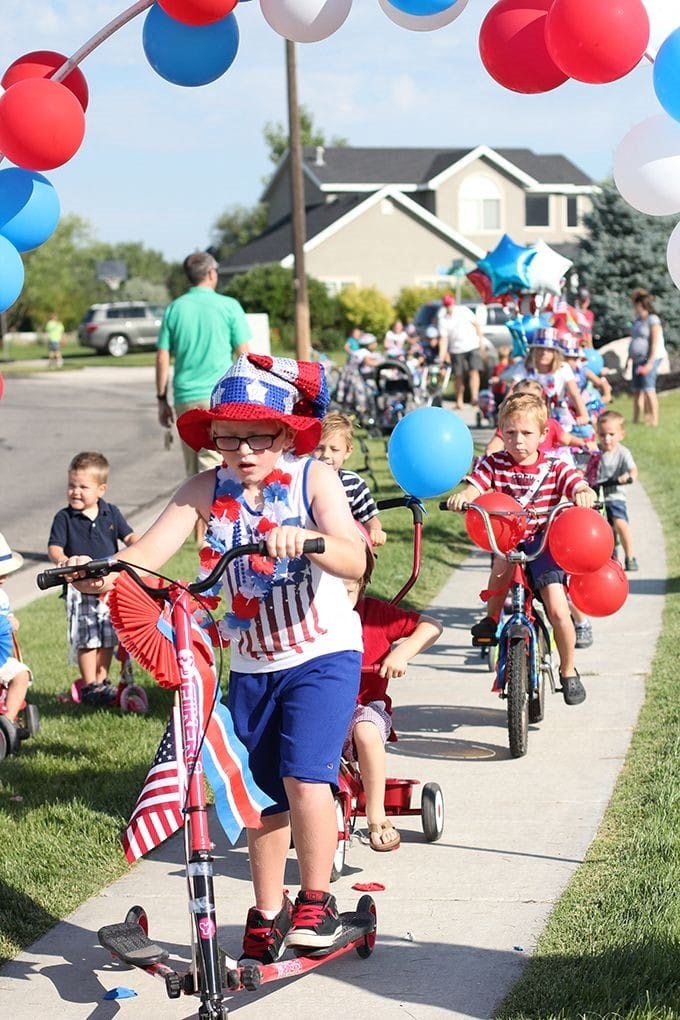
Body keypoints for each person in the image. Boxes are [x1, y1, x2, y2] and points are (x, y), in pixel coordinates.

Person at [63, 354, 367, 962]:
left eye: (257, 435)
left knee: (305, 775)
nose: (244, 450)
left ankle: (315, 900)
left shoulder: (313, 480)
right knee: (255, 793)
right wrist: (100, 574)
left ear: (284, 432)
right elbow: (147, 555)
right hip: (252, 663)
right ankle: (267, 910)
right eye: (229, 438)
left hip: (322, 652)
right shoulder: (206, 488)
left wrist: (307, 540)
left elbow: (355, 557)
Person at [445, 392, 597, 706]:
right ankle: (490, 619)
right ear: (501, 432)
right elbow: (476, 484)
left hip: (545, 544)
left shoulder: (554, 468)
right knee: (500, 571)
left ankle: (568, 669)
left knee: (557, 608)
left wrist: (583, 492)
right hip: (507, 541)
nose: (518, 441)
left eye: (527, 433)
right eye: (510, 433)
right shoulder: (494, 463)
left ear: (543, 434)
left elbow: (575, 483)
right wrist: (466, 496)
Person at [344, 528, 442, 851]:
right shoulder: (312, 617)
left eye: (349, 589)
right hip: (322, 705)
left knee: (367, 732)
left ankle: (375, 812)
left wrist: (402, 652)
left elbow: (431, 626)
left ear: (363, 581)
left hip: (365, 706)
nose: (341, 599)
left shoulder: (375, 615)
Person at [156, 251, 251, 541]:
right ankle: (212, 532)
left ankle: (201, 529)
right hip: (220, 395)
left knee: (193, 465)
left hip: (186, 395)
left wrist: (161, 398)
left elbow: (162, 357)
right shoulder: (229, 306)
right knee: (217, 463)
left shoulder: (175, 308)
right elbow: (245, 354)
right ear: (211, 273)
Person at [48, 452, 139, 706]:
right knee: (87, 637)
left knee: (108, 636)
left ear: (101, 489)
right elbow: (54, 548)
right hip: (79, 590)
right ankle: (90, 685)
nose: (75, 492)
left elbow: (130, 537)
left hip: (109, 587)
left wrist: (139, 550)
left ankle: (102, 680)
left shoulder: (110, 513)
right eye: (71, 485)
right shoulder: (64, 518)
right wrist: (63, 562)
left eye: (82, 487)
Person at [313, 411, 386, 547]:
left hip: (344, 551)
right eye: (319, 448)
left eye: (334, 449)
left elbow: (370, 519)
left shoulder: (353, 485)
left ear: (347, 452)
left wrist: (375, 530)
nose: (326, 455)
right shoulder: (302, 481)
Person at [587, 410, 639, 572]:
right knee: (596, 529)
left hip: (615, 496)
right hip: (597, 497)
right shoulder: (595, 452)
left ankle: (630, 555)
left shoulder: (623, 453)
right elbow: (585, 468)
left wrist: (628, 476)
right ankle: (601, 558)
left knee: (620, 523)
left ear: (621, 434)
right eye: (602, 435)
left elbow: (633, 470)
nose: (607, 438)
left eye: (611, 434)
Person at [0, 533, 32, 734]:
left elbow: (7, 615)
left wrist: (12, 620)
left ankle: (8, 722)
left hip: (1, 656)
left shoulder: (2, 596)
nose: (4, 577)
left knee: (21, 674)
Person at [438, 293, 486, 409]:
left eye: (449, 304)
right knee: (458, 375)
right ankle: (459, 400)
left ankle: (474, 397)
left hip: (472, 345)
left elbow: (476, 325)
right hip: (456, 349)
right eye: (446, 305)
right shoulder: (443, 320)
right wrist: (442, 356)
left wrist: (481, 343)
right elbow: (443, 339)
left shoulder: (463, 310)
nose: (449, 307)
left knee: (474, 371)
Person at [627, 287, 666, 427]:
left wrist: (650, 362)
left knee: (649, 389)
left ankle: (654, 421)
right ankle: (636, 420)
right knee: (637, 390)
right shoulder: (637, 321)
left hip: (649, 359)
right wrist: (628, 359)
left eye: (635, 304)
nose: (634, 307)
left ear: (641, 304)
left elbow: (654, 342)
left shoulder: (653, 320)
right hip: (637, 359)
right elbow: (633, 340)